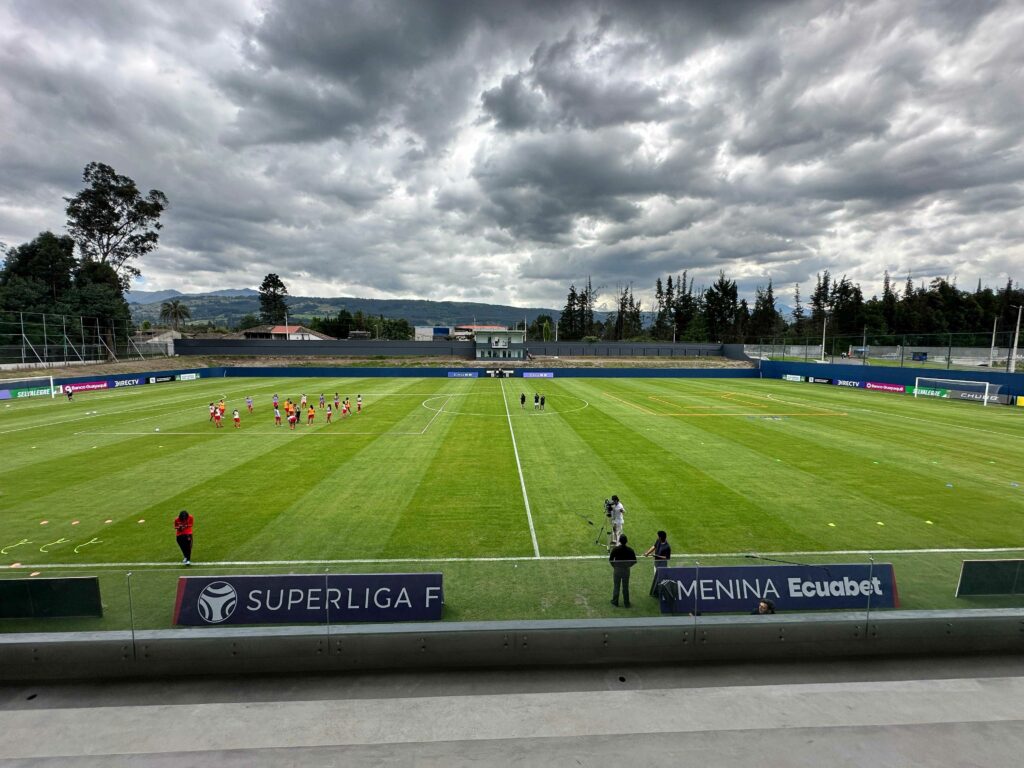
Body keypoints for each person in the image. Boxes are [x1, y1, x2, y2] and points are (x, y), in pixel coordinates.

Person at [609, 534, 637, 607]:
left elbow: (611, 560)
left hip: (617, 570)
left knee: (616, 586)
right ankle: (626, 603)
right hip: (626, 570)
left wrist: (615, 566)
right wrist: (628, 565)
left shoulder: (615, 549)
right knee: (625, 587)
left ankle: (615, 601)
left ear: (619, 541)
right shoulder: (630, 550)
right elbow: (634, 561)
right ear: (626, 541)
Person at [643, 530, 671, 596]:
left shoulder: (667, 547)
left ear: (661, 538)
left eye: (658, 536)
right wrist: (647, 553)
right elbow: (654, 546)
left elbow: (667, 557)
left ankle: (662, 593)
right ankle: (657, 592)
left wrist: (656, 556)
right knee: (656, 579)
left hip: (662, 565)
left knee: (661, 579)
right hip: (656, 563)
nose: (657, 537)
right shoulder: (658, 541)